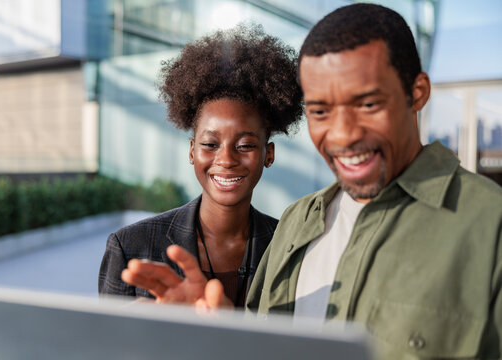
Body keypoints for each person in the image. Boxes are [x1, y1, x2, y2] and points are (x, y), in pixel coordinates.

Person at [118, 4, 502, 359]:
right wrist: (221, 334)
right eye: (321, 110)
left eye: (367, 104)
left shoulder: (490, 226)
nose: (343, 134)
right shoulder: (297, 224)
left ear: (417, 94)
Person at [98, 24, 303, 307]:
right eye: (210, 144)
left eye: (244, 146)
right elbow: (107, 348)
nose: (227, 160)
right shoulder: (131, 246)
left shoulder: (292, 250)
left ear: (269, 154)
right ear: (192, 151)